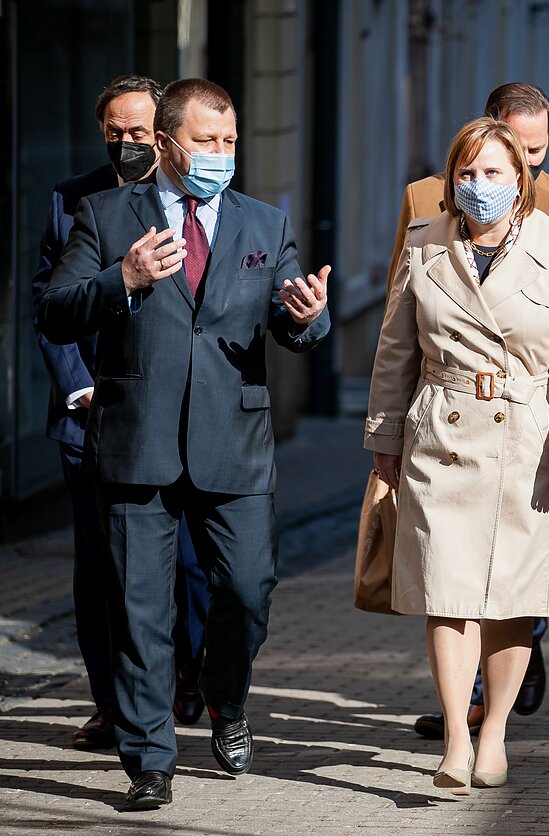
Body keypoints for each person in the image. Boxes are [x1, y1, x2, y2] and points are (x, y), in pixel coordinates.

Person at [38, 78, 331, 811]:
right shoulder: (105, 214)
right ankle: (150, 760)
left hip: (235, 442)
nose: (221, 154)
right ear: (167, 142)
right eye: (206, 141)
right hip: (136, 442)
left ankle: (227, 699)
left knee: (246, 590)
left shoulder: (265, 223)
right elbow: (56, 311)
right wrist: (124, 278)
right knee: (138, 610)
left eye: (230, 141)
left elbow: (291, 320)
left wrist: (309, 317)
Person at [366, 118, 549, 792]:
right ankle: (454, 736)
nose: (479, 185)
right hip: (440, 436)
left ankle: (495, 731)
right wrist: (384, 436)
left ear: (519, 180)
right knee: (446, 591)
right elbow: (394, 347)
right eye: (467, 173)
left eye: (493, 172)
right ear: (450, 179)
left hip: (527, 440)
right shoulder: (424, 243)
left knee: (511, 598)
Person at [31, 75, 213, 748]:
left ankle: (189, 670)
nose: (125, 142)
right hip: (92, 417)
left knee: (188, 563)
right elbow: (49, 304)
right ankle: (113, 703)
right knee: (101, 570)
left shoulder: (195, 198)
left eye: (138, 131)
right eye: (115, 131)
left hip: (174, 418)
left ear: (163, 135)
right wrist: (80, 389)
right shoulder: (71, 199)